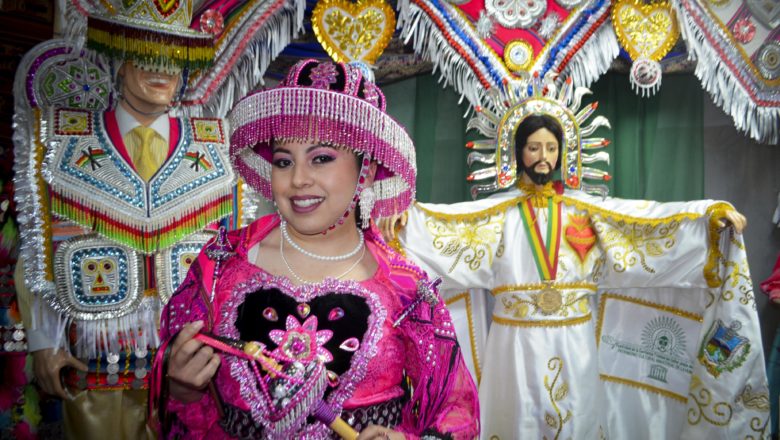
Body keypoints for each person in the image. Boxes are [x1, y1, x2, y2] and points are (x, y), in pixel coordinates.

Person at [381, 75, 768, 438]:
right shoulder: (495, 216)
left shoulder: (589, 213)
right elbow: (445, 226)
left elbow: (646, 224)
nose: (543, 156)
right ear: (518, 153)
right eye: (534, 147)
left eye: (551, 147)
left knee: (577, 420)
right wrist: (404, 219)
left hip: (574, 339)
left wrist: (708, 218)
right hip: (512, 344)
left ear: (563, 152)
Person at [154, 59, 480, 439]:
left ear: (368, 170)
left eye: (321, 158)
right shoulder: (220, 266)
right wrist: (180, 389)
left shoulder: (407, 291)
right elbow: (179, 407)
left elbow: (456, 411)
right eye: (283, 161)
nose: (297, 180)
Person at [13, 1, 238, 438]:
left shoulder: (216, 144)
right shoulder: (63, 138)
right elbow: (41, 248)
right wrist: (44, 343)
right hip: (94, 356)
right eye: (146, 50)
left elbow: (234, 252)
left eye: (174, 54)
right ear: (119, 56)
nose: (161, 67)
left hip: (188, 360)